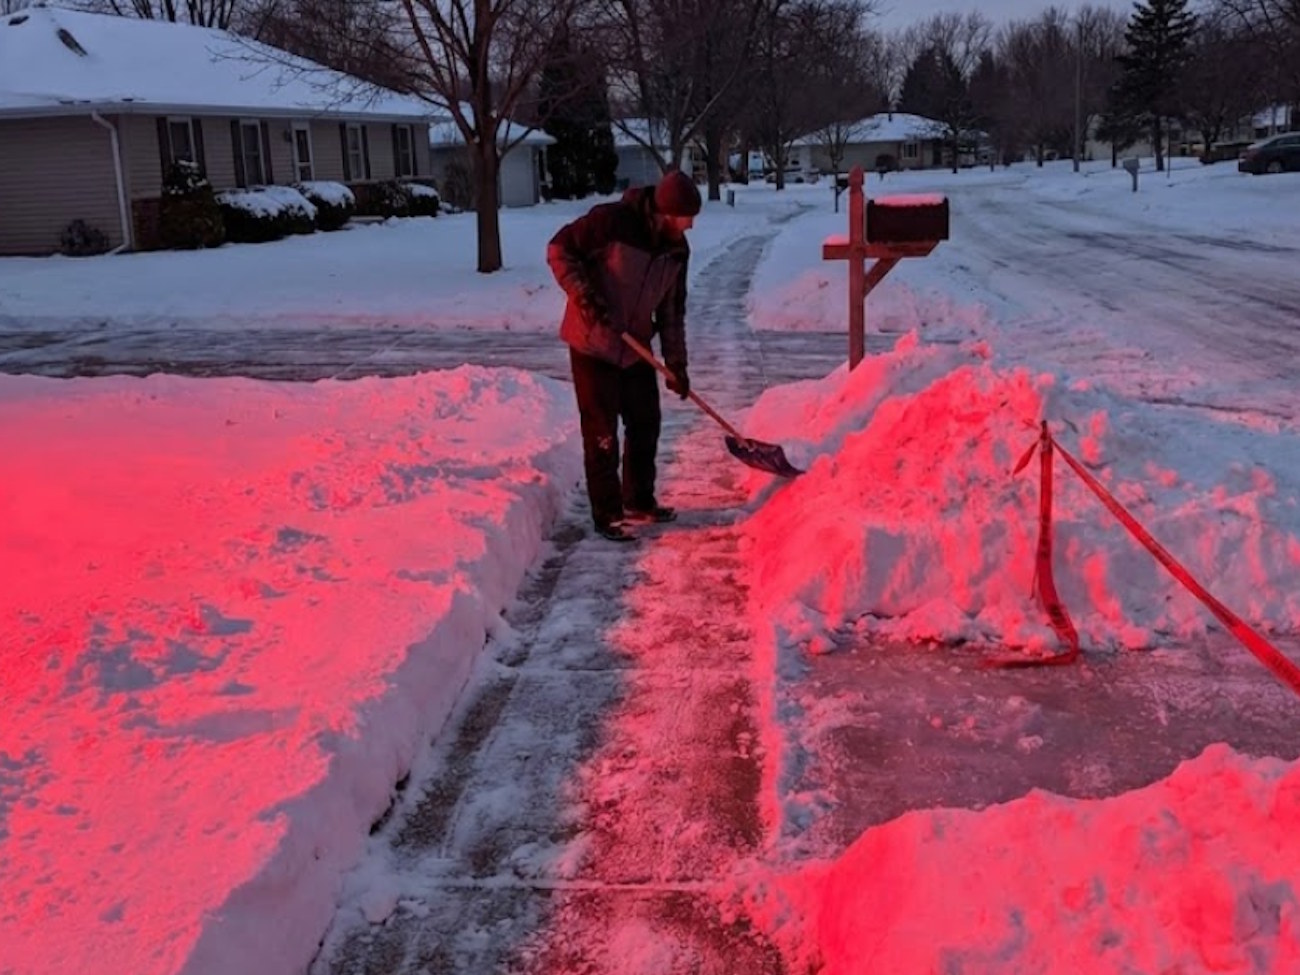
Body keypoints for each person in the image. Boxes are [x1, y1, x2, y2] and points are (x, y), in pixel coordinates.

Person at [546, 170, 701, 542]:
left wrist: (676, 364)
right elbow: (559, 250)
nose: (691, 225)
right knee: (602, 432)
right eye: (685, 217)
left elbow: (671, 312)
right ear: (664, 212)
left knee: (645, 423)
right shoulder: (611, 222)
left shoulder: (676, 250)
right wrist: (586, 299)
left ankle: (639, 500)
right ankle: (607, 513)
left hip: (635, 348)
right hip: (593, 342)